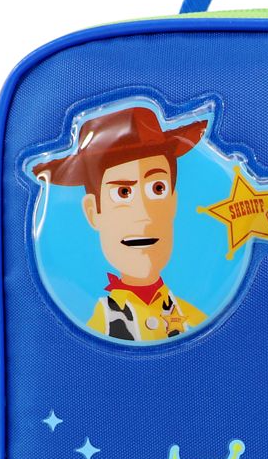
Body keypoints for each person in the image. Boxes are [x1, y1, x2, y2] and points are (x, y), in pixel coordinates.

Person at [33, 105, 207, 342]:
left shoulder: (194, 319)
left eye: (157, 189)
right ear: (93, 212)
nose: (144, 214)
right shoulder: (99, 324)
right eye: (123, 193)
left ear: (173, 202)